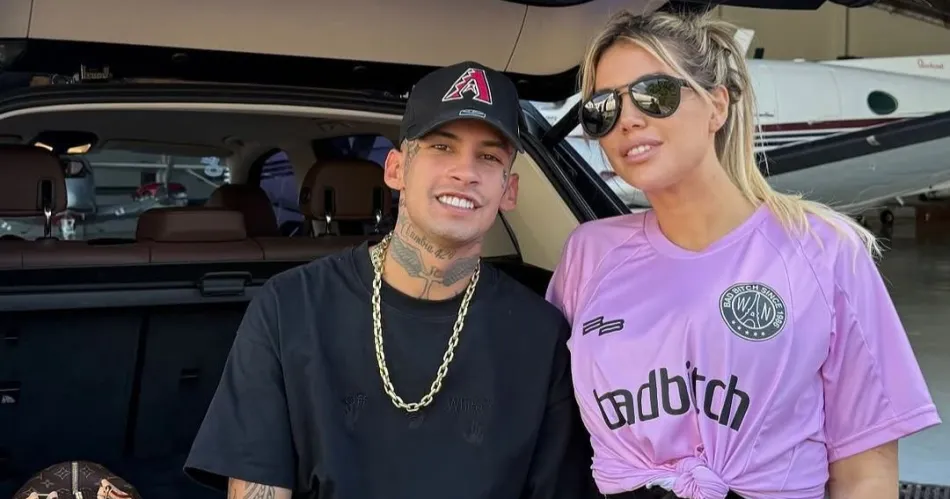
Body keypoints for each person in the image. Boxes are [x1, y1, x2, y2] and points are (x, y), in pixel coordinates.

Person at [545, 9, 941, 499]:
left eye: (655, 94)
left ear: (717, 106)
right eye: (603, 108)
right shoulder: (589, 254)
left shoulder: (824, 251)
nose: (627, 119)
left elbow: (866, 474)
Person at [183, 61, 589, 499]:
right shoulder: (289, 308)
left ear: (509, 191)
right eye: (441, 146)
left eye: (488, 157)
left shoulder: (541, 335)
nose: (465, 172)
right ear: (395, 169)